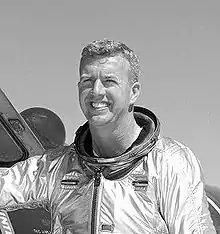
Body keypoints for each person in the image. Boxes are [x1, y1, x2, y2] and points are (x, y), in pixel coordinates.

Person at [0, 39, 216, 233]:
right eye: (87, 81)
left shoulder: (170, 162)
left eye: (109, 81)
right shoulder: (57, 167)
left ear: (134, 92)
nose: (96, 91)